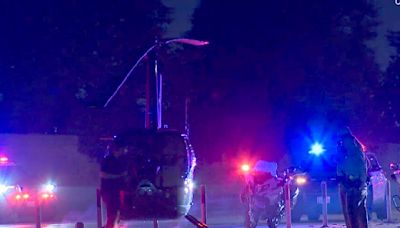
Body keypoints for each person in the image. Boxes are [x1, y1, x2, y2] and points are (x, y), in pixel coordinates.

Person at [336, 126, 368, 228]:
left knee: (352, 212)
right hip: (352, 183)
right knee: (357, 211)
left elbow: (356, 166)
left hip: (353, 184)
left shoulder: (351, 149)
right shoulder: (354, 149)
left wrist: (359, 181)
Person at [100, 137, 128, 228]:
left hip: (117, 191)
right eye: (123, 148)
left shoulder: (120, 161)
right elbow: (103, 174)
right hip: (109, 191)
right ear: (118, 149)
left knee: (118, 212)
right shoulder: (107, 160)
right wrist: (119, 176)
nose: (124, 150)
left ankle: (112, 226)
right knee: (112, 214)